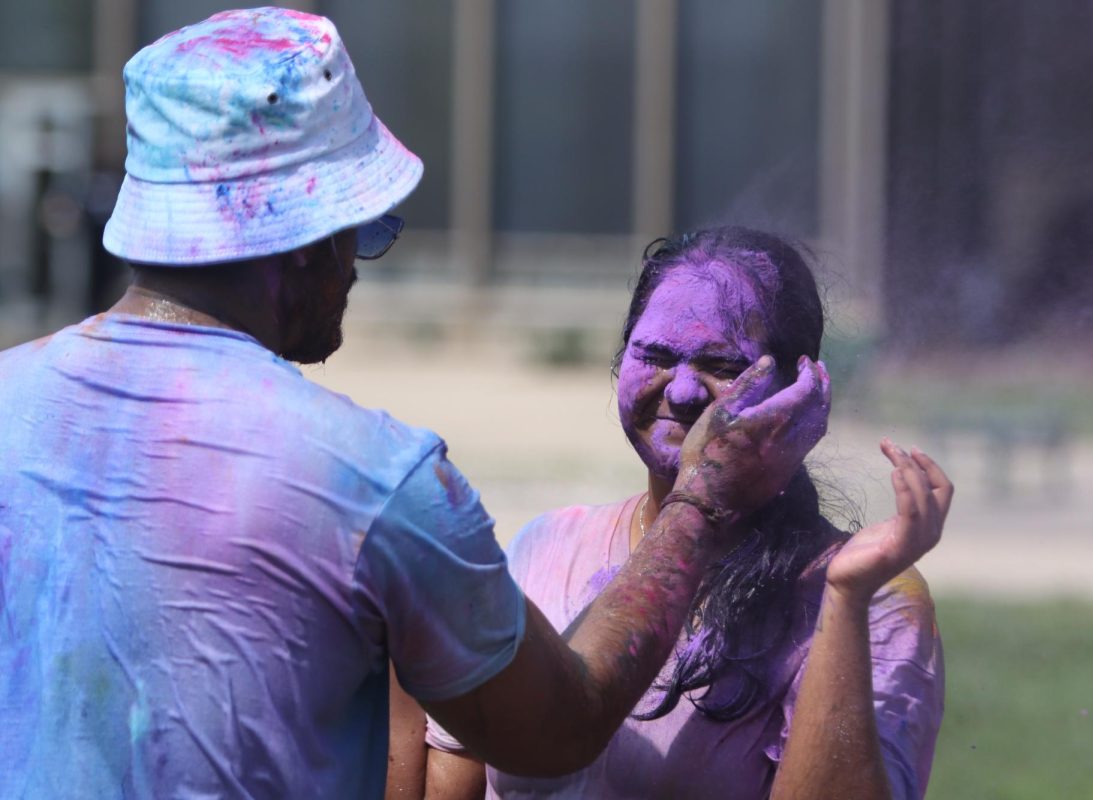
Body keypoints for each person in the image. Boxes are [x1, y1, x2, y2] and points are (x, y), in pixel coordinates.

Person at [0, 12, 834, 799]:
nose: (358, 269)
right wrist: (700, 502)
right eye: (360, 232)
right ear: (302, 244)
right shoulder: (371, 480)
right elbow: (558, 725)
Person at [416, 227, 953, 799]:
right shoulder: (546, 546)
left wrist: (845, 598)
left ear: (799, 392)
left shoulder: (871, 597)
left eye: (723, 365)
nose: (684, 391)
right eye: (654, 356)